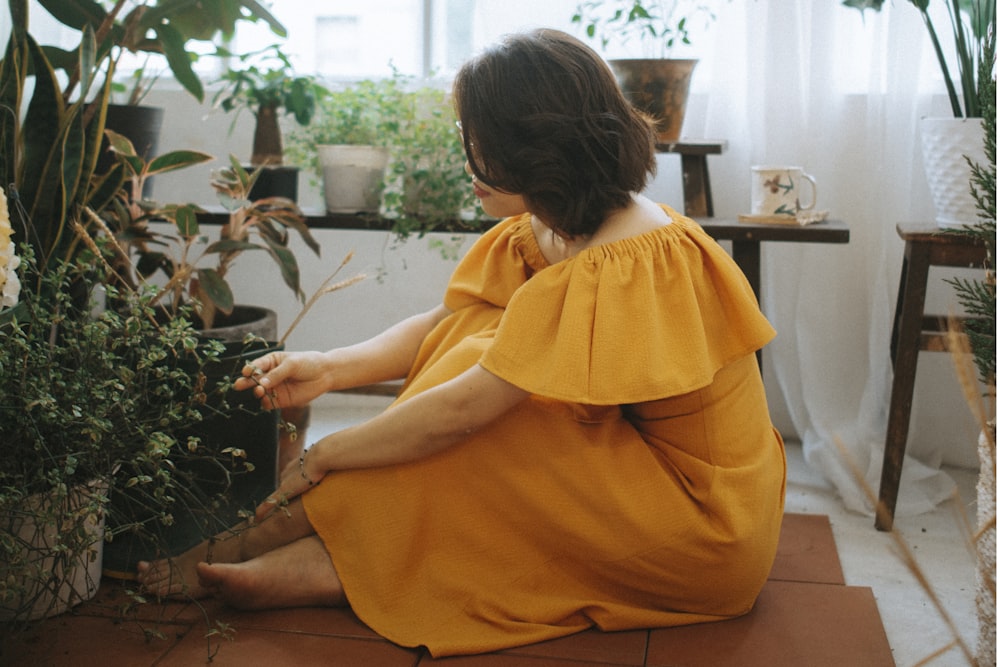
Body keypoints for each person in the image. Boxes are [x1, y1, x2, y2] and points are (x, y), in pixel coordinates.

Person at [137, 28, 786, 658]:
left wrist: (329, 452)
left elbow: (460, 409)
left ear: (539, 149)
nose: (466, 158)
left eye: (480, 144)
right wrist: (329, 368)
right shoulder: (556, 225)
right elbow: (443, 324)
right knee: (477, 337)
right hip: (636, 485)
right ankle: (335, 557)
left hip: (699, 525)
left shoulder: (622, 256)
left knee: (489, 416)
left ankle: (292, 547)